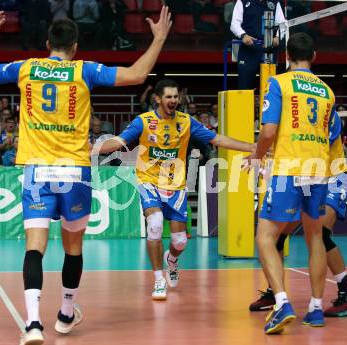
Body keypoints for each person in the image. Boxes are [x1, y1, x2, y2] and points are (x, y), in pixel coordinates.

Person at [0, 7, 172, 345]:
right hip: (75, 170)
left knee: (34, 248)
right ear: (76, 47)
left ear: (47, 43)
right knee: (73, 248)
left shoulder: (26, 68)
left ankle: (34, 324)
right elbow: (137, 75)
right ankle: (66, 313)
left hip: (38, 169)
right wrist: (158, 39)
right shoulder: (85, 71)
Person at [95, 78, 255, 301]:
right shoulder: (144, 121)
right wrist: (89, 149)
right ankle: (159, 280)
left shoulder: (187, 121)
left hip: (176, 184)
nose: (173, 100)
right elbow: (119, 141)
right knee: (155, 224)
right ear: (158, 99)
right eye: (168, 97)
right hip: (148, 180)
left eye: (175, 96)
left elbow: (217, 138)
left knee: (180, 241)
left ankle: (172, 259)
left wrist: (251, 146)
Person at [244, 32, 340, 334]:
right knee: (315, 238)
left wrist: (258, 156)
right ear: (314, 57)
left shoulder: (279, 83)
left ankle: (282, 301)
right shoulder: (327, 91)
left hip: (289, 169)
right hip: (319, 169)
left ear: (287, 56)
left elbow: (269, 130)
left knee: (265, 238)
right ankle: (315, 308)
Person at [250, 136, 347, 318]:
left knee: (321, 235)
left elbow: (311, 146)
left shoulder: (325, 115)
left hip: (333, 177)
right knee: (277, 237)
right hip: (306, 174)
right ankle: (275, 292)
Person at [230, 0, 285, 90]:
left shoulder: (275, 2)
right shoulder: (243, 1)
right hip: (248, 49)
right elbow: (234, 24)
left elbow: (282, 24)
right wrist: (243, 35)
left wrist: (278, 37)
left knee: (269, 87)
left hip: (269, 49)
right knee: (244, 86)